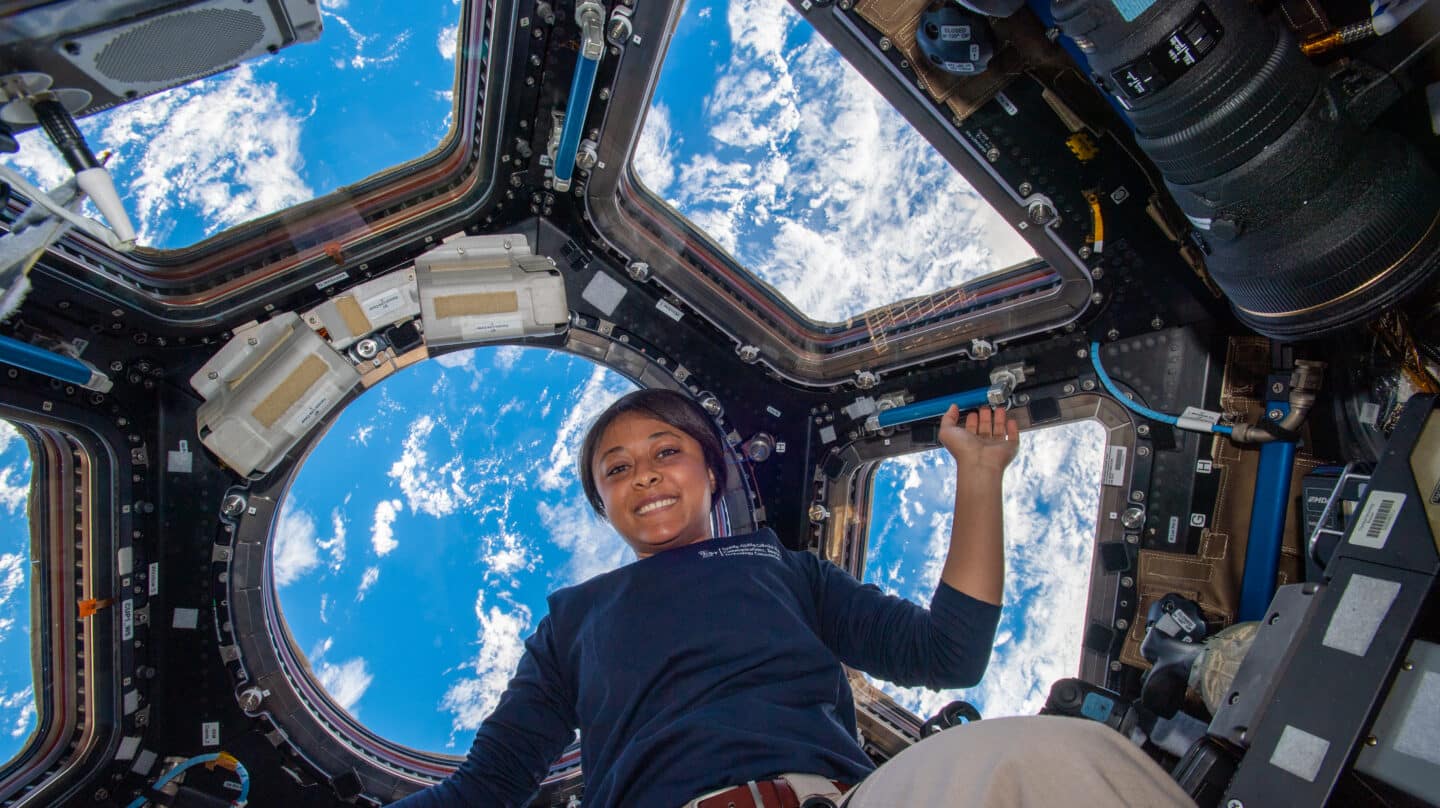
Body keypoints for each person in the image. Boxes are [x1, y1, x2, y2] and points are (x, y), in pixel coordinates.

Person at [394, 388, 1195, 808]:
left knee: (1059, 761)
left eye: (665, 452)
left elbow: (948, 654)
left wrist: (979, 477)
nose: (642, 473)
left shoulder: (785, 571)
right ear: (604, 505)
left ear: (710, 473)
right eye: (615, 469)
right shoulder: (572, 621)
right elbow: (487, 788)